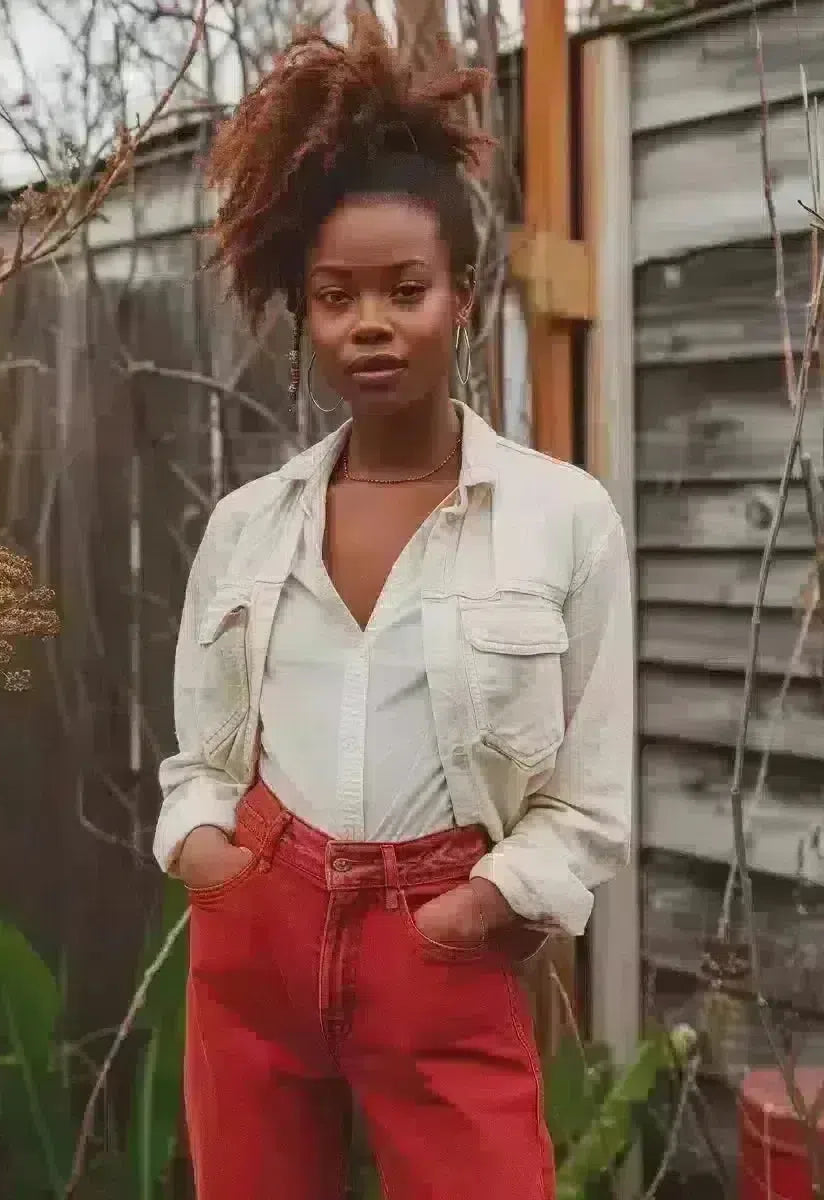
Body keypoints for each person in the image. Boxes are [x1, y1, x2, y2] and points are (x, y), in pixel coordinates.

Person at [153, 14, 633, 1200]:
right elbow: (202, 757)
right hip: (257, 932)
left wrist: (485, 904)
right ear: (306, 315)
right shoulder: (248, 528)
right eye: (335, 296)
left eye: (404, 289)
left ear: (460, 297)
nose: (371, 321)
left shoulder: (559, 518)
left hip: (442, 938)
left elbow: (591, 790)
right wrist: (212, 858)